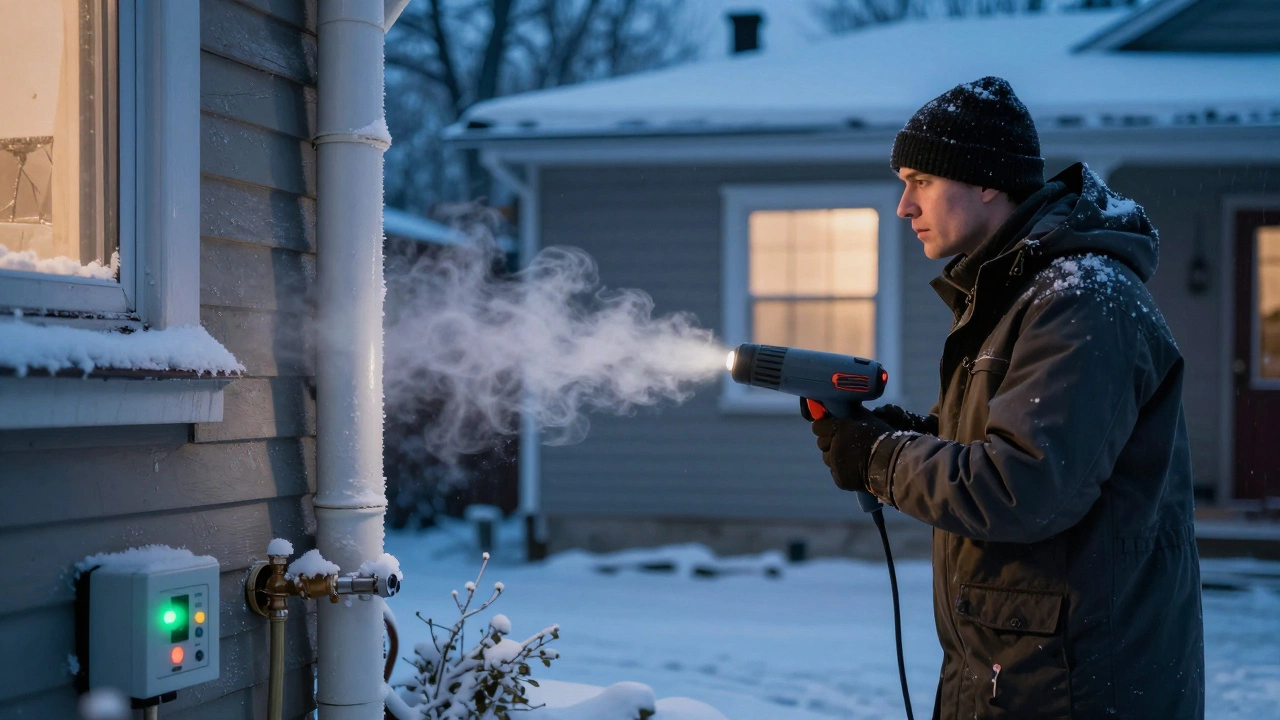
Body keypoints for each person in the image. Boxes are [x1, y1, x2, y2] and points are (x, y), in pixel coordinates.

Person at [810, 76, 1205, 719]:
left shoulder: (1078, 300)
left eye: (921, 181)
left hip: (1074, 688)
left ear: (986, 181)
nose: (904, 206)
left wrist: (881, 457)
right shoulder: (1018, 296)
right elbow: (1006, 447)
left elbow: (1022, 487)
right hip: (1017, 675)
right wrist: (905, 433)